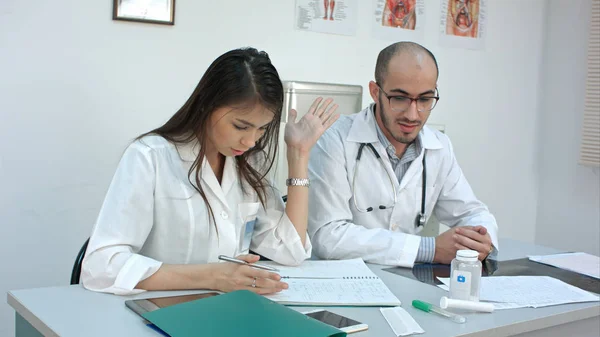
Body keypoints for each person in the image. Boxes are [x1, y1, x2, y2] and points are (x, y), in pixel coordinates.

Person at [81, 47, 339, 295]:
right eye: (240, 126)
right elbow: (101, 266)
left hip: (222, 309)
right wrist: (215, 276)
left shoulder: (250, 163)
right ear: (207, 104)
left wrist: (299, 154)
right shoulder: (151, 157)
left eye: (261, 129)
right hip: (156, 311)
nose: (250, 141)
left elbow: (291, 251)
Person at [307, 42, 498, 268]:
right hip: (342, 281)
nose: (412, 114)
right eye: (400, 98)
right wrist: (430, 249)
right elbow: (328, 236)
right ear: (375, 92)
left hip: (404, 279)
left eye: (425, 99)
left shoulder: (439, 146)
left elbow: (472, 212)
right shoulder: (334, 139)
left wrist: (481, 240)